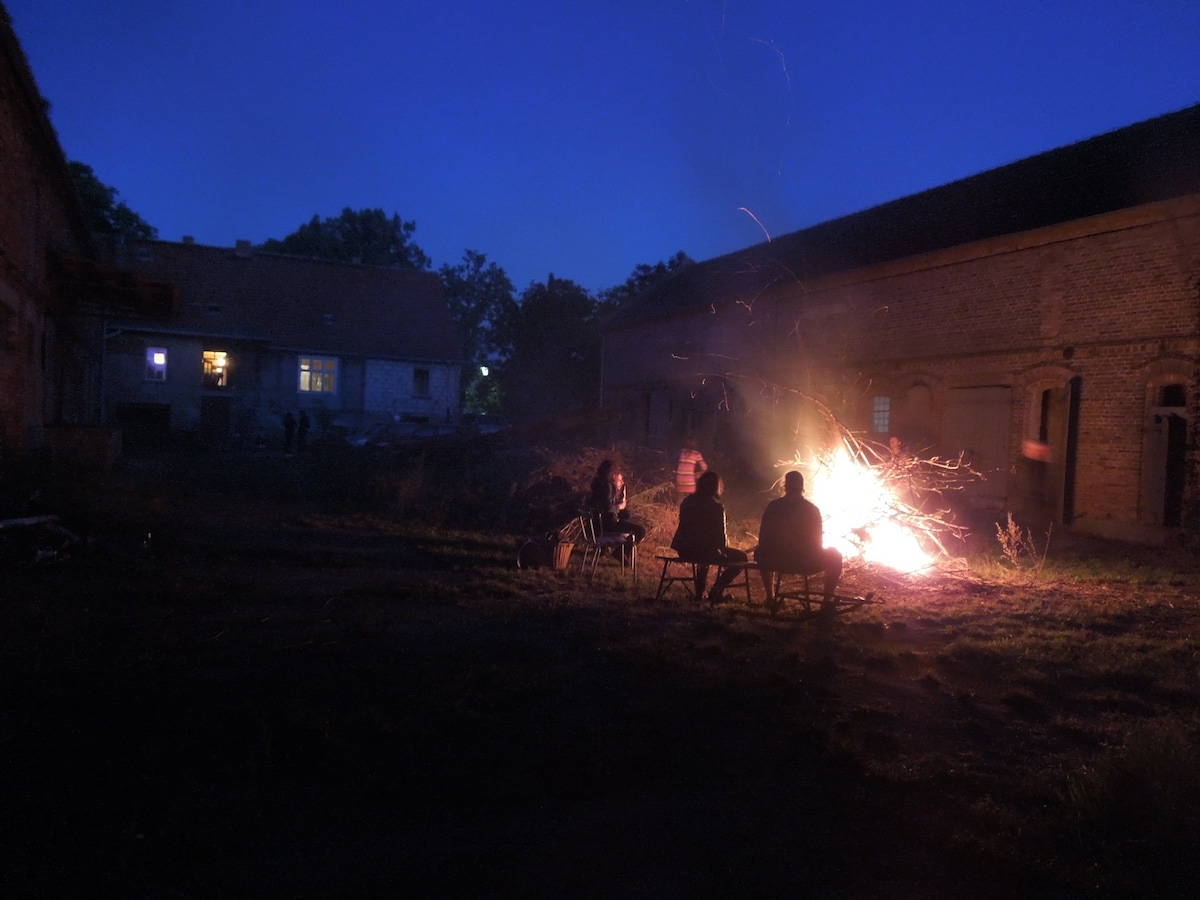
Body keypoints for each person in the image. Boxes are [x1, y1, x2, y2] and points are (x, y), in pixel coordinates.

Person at [755, 471, 843, 611]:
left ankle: (770, 597)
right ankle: (827, 601)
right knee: (835, 554)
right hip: (804, 562)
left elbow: (763, 538)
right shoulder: (811, 509)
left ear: (785, 486)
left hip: (775, 560)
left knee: (760, 551)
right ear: (802, 487)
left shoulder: (773, 507)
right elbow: (817, 544)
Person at [670, 470, 748, 603]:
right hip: (703, 551)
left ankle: (700, 592)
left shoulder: (687, 502)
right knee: (741, 557)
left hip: (684, 550)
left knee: (705, 553)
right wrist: (723, 550)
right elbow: (720, 538)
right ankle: (717, 590)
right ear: (716, 487)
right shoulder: (716, 507)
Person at [589, 459, 646, 544]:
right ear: (613, 475)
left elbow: (606, 505)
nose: (622, 483)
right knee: (641, 531)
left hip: (597, 525)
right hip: (606, 526)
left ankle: (614, 551)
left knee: (627, 515)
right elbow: (607, 508)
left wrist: (621, 500)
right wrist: (620, 506)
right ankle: (619, 553)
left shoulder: (598, 484)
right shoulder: (607, 486)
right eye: (620, 480)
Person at [673, 435, 708, 502]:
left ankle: (679, 512)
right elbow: (704, 467)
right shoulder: (696, 454)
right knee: (691, 501)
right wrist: (698, 474)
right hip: (690, 482)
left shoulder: (680, 452)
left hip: (679, 481)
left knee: (679, 501)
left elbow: (674, 462)